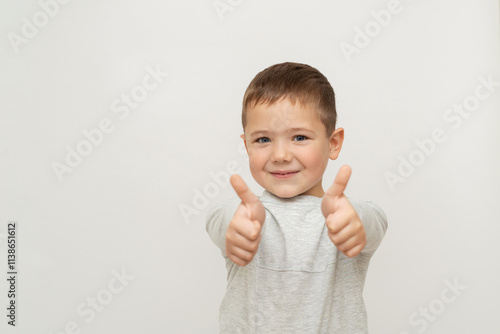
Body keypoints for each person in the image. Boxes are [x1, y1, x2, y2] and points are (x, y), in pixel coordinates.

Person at [206, 62, 388, 333]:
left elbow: (373, 220)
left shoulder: (345, 217)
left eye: (299, 137)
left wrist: (355, 221)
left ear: (333, 143)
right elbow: (219, 218)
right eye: (263, 140)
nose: (280, 155)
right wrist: (236, 221)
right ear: (246, 146)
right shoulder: (244, 215)